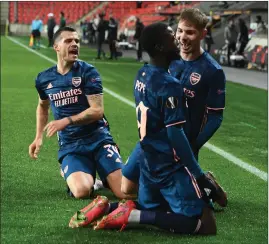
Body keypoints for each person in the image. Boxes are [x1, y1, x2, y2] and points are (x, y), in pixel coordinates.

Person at [69, 23, 224, 235]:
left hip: (147, 162)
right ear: (160, 47)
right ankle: (135, 217)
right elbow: (175, 134)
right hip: (168, 166)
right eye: (172, 37)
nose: (178, 40)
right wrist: (197, 174)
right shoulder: (170, 86)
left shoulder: (141, 75)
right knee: (207, 223)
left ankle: (107, 206)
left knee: (158, 206)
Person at [121, 8, 227, 203]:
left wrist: (193, 146)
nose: (182, 37)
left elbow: (215, 117)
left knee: (173, 200)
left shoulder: (212, 71)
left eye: (190, 32)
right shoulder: (170, 59)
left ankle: (204, 185)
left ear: (203, 34)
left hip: (181, 141)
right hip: (156, 139)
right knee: (126, 187)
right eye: (179, 31)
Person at [28, 26, 130, 200]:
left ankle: (110, 168)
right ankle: (90, 178)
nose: (74, 44)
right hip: (71, 144)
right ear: (56, 47)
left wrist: (66, 121)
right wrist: (38, 137)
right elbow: (42, 106)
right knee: (82, 191)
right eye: (68, 41)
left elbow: (97, 111)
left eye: (77, 41)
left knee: (125, 193)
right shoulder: (44, 79)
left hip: (98, 139)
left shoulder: (88, 72)